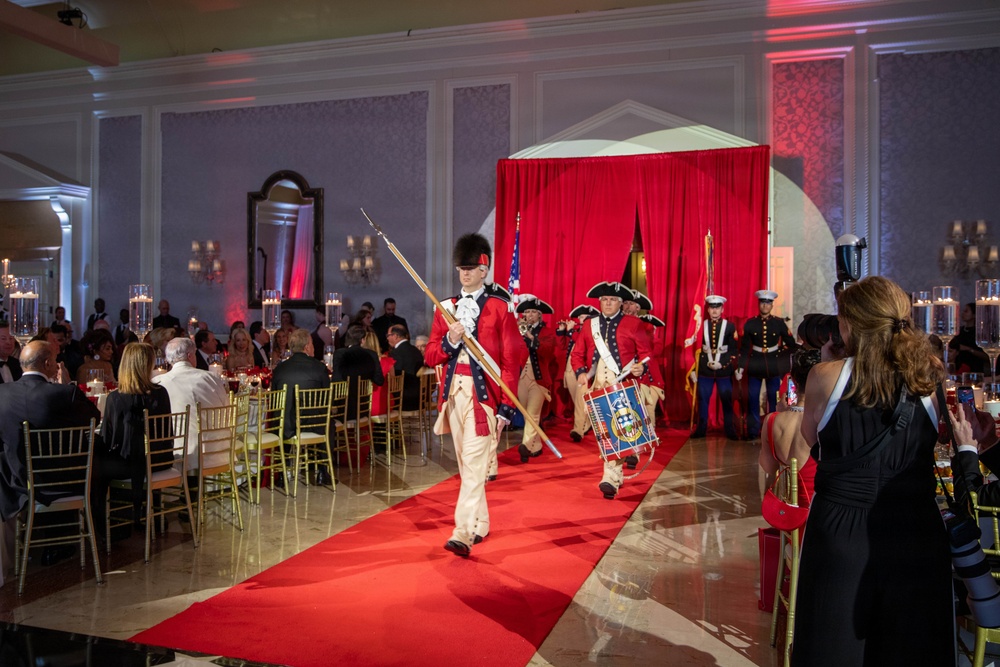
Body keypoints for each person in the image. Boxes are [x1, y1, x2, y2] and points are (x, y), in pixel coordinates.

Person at [792, 276, 952, 666]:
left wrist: (828, 360)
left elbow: (808, 442)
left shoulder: (825, 376)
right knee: (909, 650)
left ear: (850, 324)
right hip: (914, 526)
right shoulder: (930, 373)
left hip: (842, 529)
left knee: (833, 647)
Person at [425, 233, 525, 557]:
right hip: (454, 396)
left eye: (470, 268)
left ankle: (463, 532)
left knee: (473, 461)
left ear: (484, 269)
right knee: (469, 465)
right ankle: (481, 522)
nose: (464, 273)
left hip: (485, 399)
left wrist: (506, 408)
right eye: (461, 268)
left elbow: (511, 361)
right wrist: (450, 341)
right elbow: (430, 355)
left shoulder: (500, 308)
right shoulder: (445, 309)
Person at [0, 341, 101, 521]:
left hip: (18, 482)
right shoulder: (64, 393)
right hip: (63, 481)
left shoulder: (2, 393)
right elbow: (94, 418)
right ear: (47, 363)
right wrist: (68, 385)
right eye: (55, 360)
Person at [570, 281, 651, 500]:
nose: (608, 303)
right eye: (604, 300)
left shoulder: (633, 324)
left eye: (613, 300)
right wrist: (581, 372)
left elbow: (646, 354)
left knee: (619, 432)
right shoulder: (590, 325)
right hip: (597, 387)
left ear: (620, 303)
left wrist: (641, 367)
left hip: (622, 386)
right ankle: (615, 474)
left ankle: (610, 477)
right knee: (604, 434)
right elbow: (577, 354)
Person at [90, 343, 173, 537]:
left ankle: (103, 526)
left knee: (96, 469)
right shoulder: (161, 393)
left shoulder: (115, 398)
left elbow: (109, 440)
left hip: (129, 465)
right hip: (160, 460)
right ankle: (148, 514)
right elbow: (166, 431)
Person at [153, 337, 230, 471]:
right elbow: (226, 410)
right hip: (218, 451)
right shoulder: (211, 378)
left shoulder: (158, 383)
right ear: (190, 356)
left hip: (178, 452)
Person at [758, 348, 821, 500]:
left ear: (793, 382)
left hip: (785, 507)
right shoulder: (822, 421)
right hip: (816, 504)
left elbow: (768, 467)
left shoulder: (772, 420)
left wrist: (782, 412)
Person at [737, 289, 797, 440]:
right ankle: (753, 430)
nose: (765, 306)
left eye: (768, 303)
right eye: (763, 303)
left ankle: (772, 429)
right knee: (752, 398)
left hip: (773, 364)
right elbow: (744, 348)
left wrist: (788, 354)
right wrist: (740, 367)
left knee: (773, 398)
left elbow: (790, 343)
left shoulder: (779, 323)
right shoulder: (751, 323)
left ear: (772, 305)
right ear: (759, 304)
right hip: (755, 364)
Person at [273, 328, 332, 474]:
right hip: (312, 425)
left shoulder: (280, 368)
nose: (313, 347)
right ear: (306, 347)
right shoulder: (319, 367)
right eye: (312, 344)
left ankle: (281, 472)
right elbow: (326, 397)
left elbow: (274, 398)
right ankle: (323, 470)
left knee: (282, 416)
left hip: (285, 426)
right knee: (329, 422)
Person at [689, 295, 739, 440]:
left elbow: (733, 350)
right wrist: (693, 369)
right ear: (708, 310)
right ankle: (701, 429)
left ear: (722, 309)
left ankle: (730, 429)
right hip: (705, 369)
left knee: (727, 400)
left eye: (718, 307)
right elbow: (695, 349)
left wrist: (723, 363)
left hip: (724, 370)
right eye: (712, 307)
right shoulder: (700, 325)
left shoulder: (730, 326)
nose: (715, 310)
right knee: (703, 400)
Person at [514, 296, 556, 463]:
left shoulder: (547, 332)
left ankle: (525, 446)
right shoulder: (519, 330)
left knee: (532, 413)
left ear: (539, 314)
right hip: (522, 377)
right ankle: (536, 446)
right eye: (527, 312)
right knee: (527, 414)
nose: (529, 315)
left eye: (533, 312)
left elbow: (548, 352)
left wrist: (531, 338)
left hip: (539, 379)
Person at [557, 305, 598, 438]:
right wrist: (562, 331)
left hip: (583, 370)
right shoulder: (576, 330)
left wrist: (570, 332)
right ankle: (586, 423)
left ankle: (581, 428)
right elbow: (562, 346)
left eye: (584, 317)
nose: (581, 319)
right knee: (576, 399)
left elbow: (581, 341)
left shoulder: (590, 331)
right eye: (580, 317)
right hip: (570, 369)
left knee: (582, 399)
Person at [332, 325, 385, 419]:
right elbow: (379, 380)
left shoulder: (339, 353)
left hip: (343, 410)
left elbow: (336, 380)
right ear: (363, 340)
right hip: (363, 408)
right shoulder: (372, 354)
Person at [387, 324, 423, 410]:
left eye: (388, 335)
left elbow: (395, 377)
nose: (387, 338)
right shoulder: (416, 350)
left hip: (403, 400)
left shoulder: (396, 353)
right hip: (420, 397)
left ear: (395, 336)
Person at [949, 301, 990, 375]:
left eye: (966, 311)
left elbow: (987, 356)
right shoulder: (958, 331)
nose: (963, 313)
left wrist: (968, 349)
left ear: (974, 315)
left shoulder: (979, 333)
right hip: (960, 369)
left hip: (975, 370)